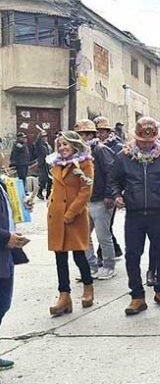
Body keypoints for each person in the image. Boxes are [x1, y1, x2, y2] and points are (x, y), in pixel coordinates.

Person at [108, 117, 160, 315]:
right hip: (134, 214)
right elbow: (113, 180)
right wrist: (117, 195)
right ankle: (137, 296)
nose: (146, 144)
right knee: (132, 255)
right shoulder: (124, 156)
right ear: (136, 138)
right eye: (142, 141)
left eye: (150, 141)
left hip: (159, 213)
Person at [46, 131, 95, 317]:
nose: (62, 148)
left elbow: (86, 190)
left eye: (65, 144)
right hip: (57, 216)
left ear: (74, 145)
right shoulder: (55, 163)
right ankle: (64, 296)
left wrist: (72, 212)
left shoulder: (84, 163)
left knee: (79, 255)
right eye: (59, 145)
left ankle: (88, 287)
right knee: (60, 257)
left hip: (74, 216)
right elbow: (55, 188)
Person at [74, 120, 117, 281]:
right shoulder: (78, 154)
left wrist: (110, 195)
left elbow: (112, 173)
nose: (80, 138)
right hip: (86, 200)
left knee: (103, 235)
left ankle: (108, 266)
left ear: (91, 135)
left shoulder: (99, 150)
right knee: (84, 236)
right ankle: (90, 267)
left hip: (100, 200)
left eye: (83, 135)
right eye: (78, 135)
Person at [0, 175, 31, 371]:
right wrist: (5, 237)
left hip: (6, 253)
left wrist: (21, 205)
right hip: (3, 246)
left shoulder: (3, 181)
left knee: (3, 304)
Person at [92, 116, 124, 261]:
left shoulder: (117, 146)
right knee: (105, 227)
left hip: (110, 191)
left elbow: (115, 172)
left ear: (108, 131)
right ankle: (114, 249)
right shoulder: (91, 147)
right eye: (96, 132)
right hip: (95, 192)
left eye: (101, 132)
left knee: (105, 227)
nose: (99, 135)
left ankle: (104, 256)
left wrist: (112, 194)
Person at [33, 131, 52, 200]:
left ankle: (48, 194)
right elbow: (36, 142)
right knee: (43, 180)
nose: (45, 138)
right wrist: (39, 135)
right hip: (42, 165)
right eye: (43, 137)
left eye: (45, 137)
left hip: (49, 165)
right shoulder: (39, 146)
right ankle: (40, 193)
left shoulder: (48, 146)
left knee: (50, 180)